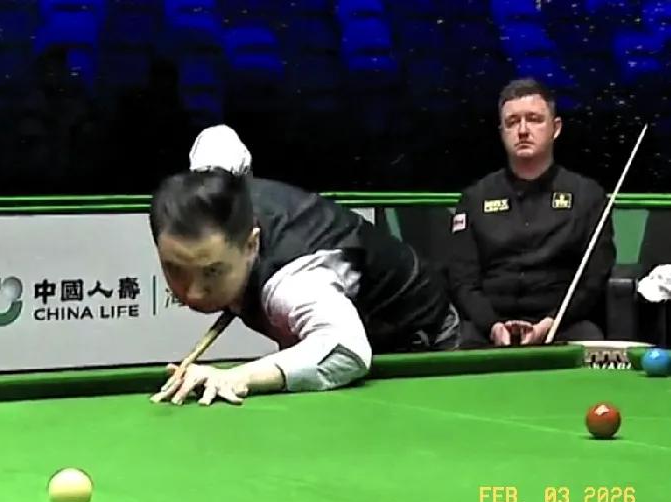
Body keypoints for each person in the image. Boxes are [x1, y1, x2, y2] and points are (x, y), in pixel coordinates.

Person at [149, 125, 461, 406]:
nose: (193, 292)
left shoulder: (294, 283)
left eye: (212, 272)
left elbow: (347, 351)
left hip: (415, 341)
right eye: (175, 269)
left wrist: (237, 377)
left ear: (251, 245)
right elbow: (220, 137)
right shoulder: (217, 188)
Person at [448, 78, 616, 348]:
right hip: (487, 330)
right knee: (458, 342)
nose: (523, 130)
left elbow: (593, 279)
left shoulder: (588, 196)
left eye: (534, 119)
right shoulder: (474, 198)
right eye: (512, 122)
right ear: (502, 131)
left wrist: (550, 323)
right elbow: (463, 281)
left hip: (563, 326)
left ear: (555, 128)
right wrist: (493, 326)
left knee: (590, 338)